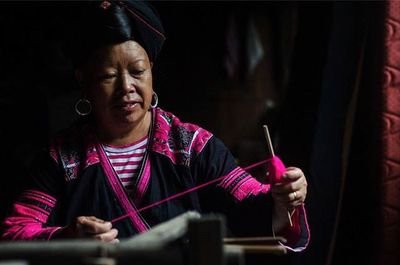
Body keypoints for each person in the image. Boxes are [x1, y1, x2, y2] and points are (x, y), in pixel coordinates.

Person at [0, 0, 309, 250]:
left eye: (138, 71)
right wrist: (64, 238)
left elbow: (255, 204)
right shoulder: (60, 158)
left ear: (151, 73)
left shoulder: (192, 146)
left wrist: (284, 198)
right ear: (85, 83)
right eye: (109, 76)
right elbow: (14, 233)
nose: (126, 88)